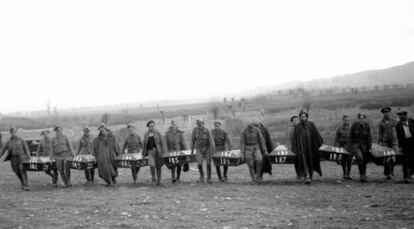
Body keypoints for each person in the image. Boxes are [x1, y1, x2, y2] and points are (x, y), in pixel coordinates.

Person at [291, 111, 324, 184]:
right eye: (302, 116)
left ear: (306, 117)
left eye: (304, 116)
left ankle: (311, 176)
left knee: (311, 161)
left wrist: (320, 144)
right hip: (302, 148)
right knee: (304, 162)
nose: (303, 118)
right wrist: (295, 149)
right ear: (300, 117)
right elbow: (295, 139)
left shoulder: (311, 124)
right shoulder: (297, 127)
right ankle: (307, 177)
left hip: (311, 147)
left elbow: (316, 135)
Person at [348, 113, 372, 182]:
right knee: (360, 157)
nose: (362, 120)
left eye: (363, 119)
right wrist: (350, 147)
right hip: (356, 146)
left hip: (364, 146)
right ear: (358, 119)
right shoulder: (354, 125)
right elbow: (350, 137)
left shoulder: (367, 126)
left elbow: (369, 138)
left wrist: (369, 148)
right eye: (360, 119)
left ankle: (363, 175)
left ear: (365, 119)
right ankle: (361, 175)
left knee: (364, 160)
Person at [142, 120, 167, 186]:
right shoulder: (146, 134)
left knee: (158, 167)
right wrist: (143, 154)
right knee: (152, 165)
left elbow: (162, 142)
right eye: (150, 126)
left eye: (152, 126)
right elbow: (144, 145)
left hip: (158, 152)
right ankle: (153, 177)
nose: (151, 128)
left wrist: (164, 152)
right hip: (150, 152)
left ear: (154, 126)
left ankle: (158, 181)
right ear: (148, 127)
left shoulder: (158, 133)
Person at [191, 119, 215, 183]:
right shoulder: (195, 130)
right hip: (199, 148)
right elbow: (193, 140)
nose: (199, 125)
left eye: (201, 123)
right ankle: (201, 177)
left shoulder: (207, 130)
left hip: (207, 148)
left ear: (203, 124)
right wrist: (192, 150)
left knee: (208, 163)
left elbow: (211, 141)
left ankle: (209, 178)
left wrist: (212, 150)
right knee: (199, 164)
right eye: (198, 124)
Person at [378, 107, 398, 180]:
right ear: (383, 113)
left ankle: (392, 171)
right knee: (386, 157)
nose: (386, 113)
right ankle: (387, 173)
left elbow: (398, 131)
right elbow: (380, 133)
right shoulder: (381, 122)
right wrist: (379, 142)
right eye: (384, 112)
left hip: (393, 142)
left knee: (393, 157)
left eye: (387, 112)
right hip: (385, 142)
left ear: (390, 112)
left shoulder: (394, 121)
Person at [395, 110, 414, 183]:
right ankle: (405, 176)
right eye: (399, 115)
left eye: (401, 115)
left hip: (413, 142)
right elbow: (399, 137)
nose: (400, 117)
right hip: (405, 144)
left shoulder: (412, 121)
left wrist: (408, 126)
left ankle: (412, 173)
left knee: (413, 159)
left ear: (405, 115)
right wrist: (400, 146)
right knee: (405, 160)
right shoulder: (398, 125)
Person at [333, 114, 352, 180]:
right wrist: (336, 147)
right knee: (344, 160)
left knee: (349, 160)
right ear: (343, 121)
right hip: (342, 147)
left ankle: (348, 174)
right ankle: (344, 173)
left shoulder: (352, 128)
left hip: (350, 147)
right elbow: (336, 138)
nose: (346, 121)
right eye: (345, 120)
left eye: (348, 120)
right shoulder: (340, 128)